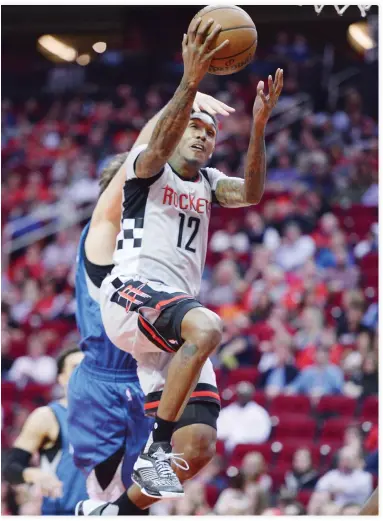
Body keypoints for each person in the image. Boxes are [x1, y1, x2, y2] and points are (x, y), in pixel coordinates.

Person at [78, 17, 283, 514]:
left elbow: (252, 193)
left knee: (196, 451)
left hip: (170, 330)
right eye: (194, 125)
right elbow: (161, 136)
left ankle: (117, 511)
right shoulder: (147, 169)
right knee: (208, 326)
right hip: (132, 293)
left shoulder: (209, 182)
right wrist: (190, 85)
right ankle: (156, 442)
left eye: (211, 130)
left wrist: (256, 127)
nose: (203, 134)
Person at [67, 80, 233, 506]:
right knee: (95, 493)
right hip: (109, 382)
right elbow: (144, 159)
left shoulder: (158, 242)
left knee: (169, 473)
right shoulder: (105, 231)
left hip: (154, 366)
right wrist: (182, 96)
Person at [3, 347, 87, 515]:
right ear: (61, 378)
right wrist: (36, 475)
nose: (82, 374)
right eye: (75, 368)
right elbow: (11, 468)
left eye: (87, 368)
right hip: (62, 512)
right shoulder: (47, 416)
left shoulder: (111, 416)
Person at [307, 446, 373, 514]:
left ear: (356, 460)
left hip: (356, 506)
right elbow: (320, 487)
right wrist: (336, 490)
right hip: (336, 506)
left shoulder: (364, 476)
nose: (345, 462)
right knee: (318, 498)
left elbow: (352, 489)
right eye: (342, 459)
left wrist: (334, 489)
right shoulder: (333, 474)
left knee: (337, 511)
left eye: (348, 459)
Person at [217, 382, 272, 451]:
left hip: (250, 449)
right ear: (237, 394)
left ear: (251, 395)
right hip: (227, 449)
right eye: (241, 394)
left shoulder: (260, 413)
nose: (243, 397)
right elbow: (219, 431)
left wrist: (243, 441)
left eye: (246, 394)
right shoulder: (228, 411)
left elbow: (262, 435)